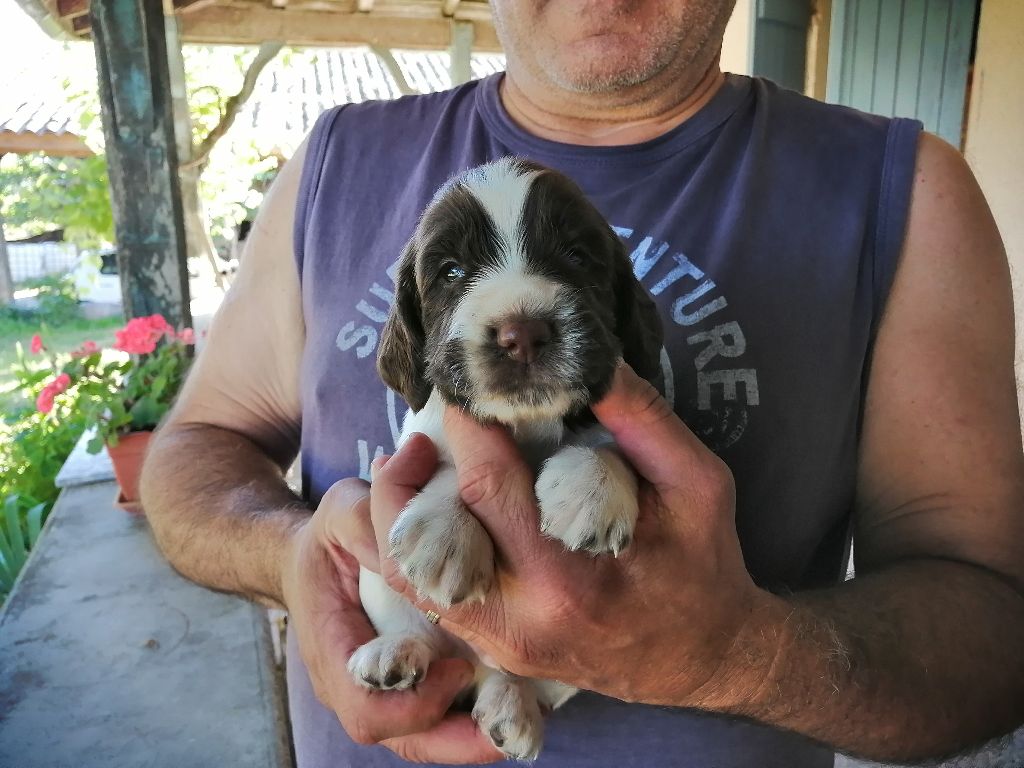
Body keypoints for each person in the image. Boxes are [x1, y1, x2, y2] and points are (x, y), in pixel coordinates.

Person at [141, 1, 1024, 766]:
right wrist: (298, 558)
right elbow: (194, 457)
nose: (516, 323)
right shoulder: (335, 159)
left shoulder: (905, 191)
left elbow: (996, 633)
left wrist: (739, 657)